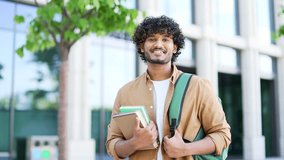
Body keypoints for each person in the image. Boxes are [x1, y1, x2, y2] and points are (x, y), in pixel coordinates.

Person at [106, 15, 231, 160]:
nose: (158, 44)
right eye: (152, 39)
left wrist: (185, 149)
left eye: (165, 39)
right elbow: (112, 144)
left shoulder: (198, 86)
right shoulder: (125, 92)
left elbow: (222, 134)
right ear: (141, 46)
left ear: (175, 47)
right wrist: (134, 143)